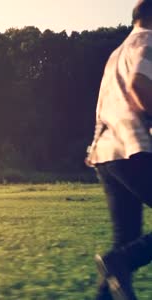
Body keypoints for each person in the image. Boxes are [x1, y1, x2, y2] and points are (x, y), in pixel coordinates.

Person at [86, 1, 152, 299]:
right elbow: (140, 83)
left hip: (106, 154)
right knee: (123, 255)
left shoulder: (116, 54)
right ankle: (122, 260)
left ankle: (110, 281)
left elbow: (102, 108)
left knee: (125, 238)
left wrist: (94, 144)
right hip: (134, 149)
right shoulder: (149, 40)